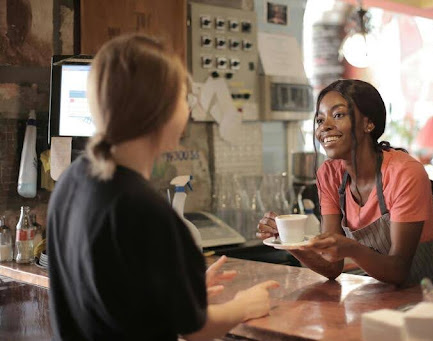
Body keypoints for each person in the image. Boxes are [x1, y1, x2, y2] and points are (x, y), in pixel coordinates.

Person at [47, 34, 279, 341]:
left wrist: (180, 287)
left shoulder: (71, 181)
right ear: (160, 111)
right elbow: (197, 330)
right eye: (184, 99)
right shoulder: (145, 209)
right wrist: (242, 306)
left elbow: (118, 291)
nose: (189, 111)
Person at [257, 79, 433, 286]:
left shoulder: (403, 173)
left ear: (369, 123)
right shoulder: (329, 175)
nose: (325, 127)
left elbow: (398, 269)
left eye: (338, 115)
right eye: (320, 120)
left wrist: (351, 248)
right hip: (390, 293)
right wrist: (289, 239)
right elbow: (332, 266)